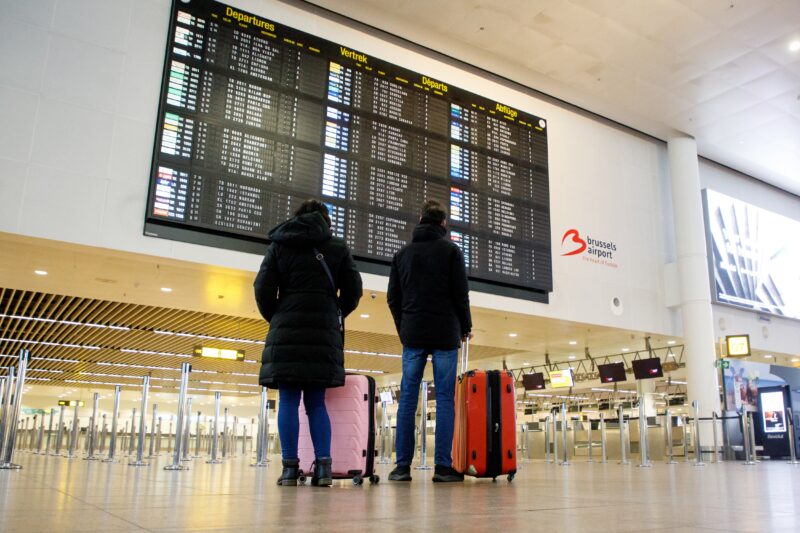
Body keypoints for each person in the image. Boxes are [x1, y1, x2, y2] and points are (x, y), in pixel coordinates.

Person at [254, 199, 362, 486]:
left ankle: (290, 468)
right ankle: (324, 468)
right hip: (322, 332)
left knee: (288, 400)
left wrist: (278, 315)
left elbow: (262, 288)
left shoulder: (279, 244)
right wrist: (335, 310)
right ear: (326, 220)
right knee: (316, 402)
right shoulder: (337, 247)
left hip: (287, 329)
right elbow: (354, 290)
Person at [387, 199, 472, 483]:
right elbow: (461, 294)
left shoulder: (402, 254)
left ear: (420, 218)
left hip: (413, 334)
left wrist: (404, 328)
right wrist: (465, 326)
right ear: (443, 224)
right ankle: (443, 467)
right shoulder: (451, 252)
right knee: (446, 399)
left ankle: (401, 468)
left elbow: (393, 299)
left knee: (408, 400)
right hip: (445, 334)